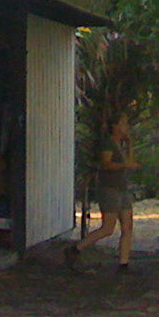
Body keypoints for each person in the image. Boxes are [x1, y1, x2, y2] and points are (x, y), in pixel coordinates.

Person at [65, 114, 139, 275]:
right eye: (123, 123)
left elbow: (130, 163)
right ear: (115, 126)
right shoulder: (108, 143)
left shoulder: (121, 144)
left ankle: (123, 263)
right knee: (108, 228)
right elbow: (107, 164)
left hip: (122, 188)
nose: (126, 126)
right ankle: (76, 249)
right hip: (109, 189)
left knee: (127, 226)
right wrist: (124, 164)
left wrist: (130, 145)